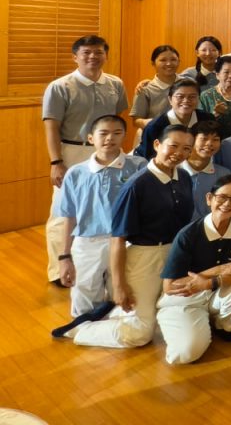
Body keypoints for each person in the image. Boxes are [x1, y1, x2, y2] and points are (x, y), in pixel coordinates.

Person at [52, 125, 195, 347]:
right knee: (140, 334)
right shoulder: (137, 184)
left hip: (172, 253)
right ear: (157, 145)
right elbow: (118, 238)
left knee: (157, 314)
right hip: (144, 256)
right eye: (173, 145)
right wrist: (119, 286)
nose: (179, 153)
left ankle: (112, 316)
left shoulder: (184, 177)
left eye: (186, 148)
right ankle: (81, 329)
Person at [42, 34, 129, 285]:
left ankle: (105, 266)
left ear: (106, 55)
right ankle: (58, 269)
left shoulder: (115, 83)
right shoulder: (60, 86)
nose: (93, 57)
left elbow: (117, 119)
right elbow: (51, 127)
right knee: (63, 210)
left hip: (107, 151)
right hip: (72, 151)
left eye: (98, 52)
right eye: (86, 53)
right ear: (75, 57)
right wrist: (56, 162)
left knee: (107, 206)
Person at [155, 173, 231, 363]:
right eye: (222, 197)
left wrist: (209, 283)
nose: (227, 204)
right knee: (185, 354)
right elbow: (169, 287)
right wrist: (217, 270)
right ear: (209, 198)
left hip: (216, 292)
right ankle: (176, 319)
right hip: (186, 298)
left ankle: (224, 325)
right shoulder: (188, 234)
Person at [56, 116, 145, 312]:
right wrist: (64, 256)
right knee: (84, 296)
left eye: (117, 133)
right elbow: (69, 217)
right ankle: (85, 326)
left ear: (125, 136)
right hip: (88, 242)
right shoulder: (76, 173)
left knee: (124, 297)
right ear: (90, 138)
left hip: (127, 241)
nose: (110, 138)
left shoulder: (139, 167)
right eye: (103, 133)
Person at [134, 78, 214, 160]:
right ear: (170, 99)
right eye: (180, 96)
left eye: (192, 97)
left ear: (198, 99)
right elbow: (146, 158)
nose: (186, 100)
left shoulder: (207, 119)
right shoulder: (155, 126)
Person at [129, 45, 181, 142]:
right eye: (163, 60)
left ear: (178, 62)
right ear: (153, 63)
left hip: (183, 137)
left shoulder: (189, 85)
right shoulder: (144, 89)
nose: (169, 63)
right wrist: (152, 123)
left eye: (173, 59)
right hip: (154, 138)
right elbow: (136, 120)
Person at [181, 121, 230, 218]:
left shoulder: (224, 174)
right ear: (191, 140)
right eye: (204, 138)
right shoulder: (174, 170)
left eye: (215, 139)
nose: (209, 143)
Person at [198, 56, 231, 138]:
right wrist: (215, 114)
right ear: (217, 75)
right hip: (215, 140)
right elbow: (200, 124)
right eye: (226, 72)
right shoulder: (206, 96)